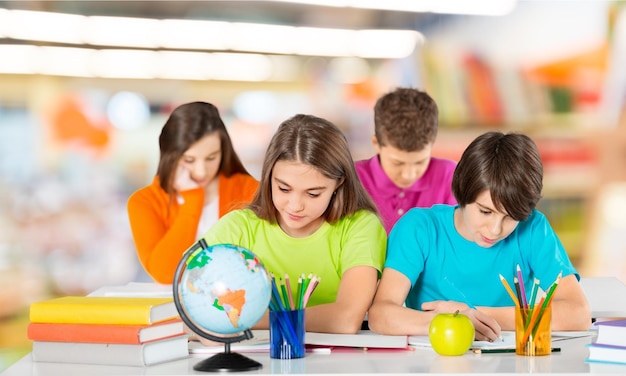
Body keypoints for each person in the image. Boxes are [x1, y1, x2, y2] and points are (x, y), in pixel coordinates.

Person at [368, 131, 591, 341]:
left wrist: (472, 314)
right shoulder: (420, 228)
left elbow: (578, 313)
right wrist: (448, 321)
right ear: (463, 193)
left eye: (510, 217)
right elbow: (381, 314)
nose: (495, 229)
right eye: (485, 211)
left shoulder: (533, 228)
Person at [199, 114, 386, 334]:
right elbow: (189, 307)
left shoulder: (360, 227)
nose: (295, 206)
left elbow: (345, 320)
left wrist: (238, 318)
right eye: (284, 189)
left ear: (339, 183)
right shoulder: (238, 227)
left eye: (313, 194)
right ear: (269, 176)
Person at [127, 101, 259, 284]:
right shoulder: (144, 202)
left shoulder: (249, 190)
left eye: (211, 158)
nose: (201, 171)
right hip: (173, 309)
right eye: (189, 160)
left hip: (238, 306)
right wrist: (193, 199)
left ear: (224, 152)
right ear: (170, 156)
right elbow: (165, 274)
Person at [355, 87, 457, 234]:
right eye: (398, 163)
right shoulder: (354, 179)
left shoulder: (449, 177)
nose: (408, 175)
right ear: (376, 144)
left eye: (420, 162)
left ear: (432, 145)